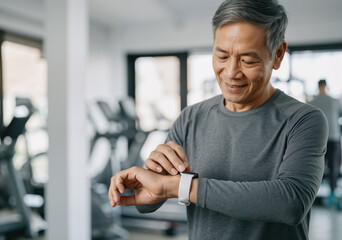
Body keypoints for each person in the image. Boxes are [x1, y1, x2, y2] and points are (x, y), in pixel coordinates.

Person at [108, 0, 328, 239]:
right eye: (222, 56)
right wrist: (151, 186)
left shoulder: (304, 120)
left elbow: (290, 203)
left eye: (248, 60)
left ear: (278, 55)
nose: (231, 72)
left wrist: (181, 187)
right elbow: (150, 199)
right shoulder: (190, 118)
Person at [309, 79, 342, 206]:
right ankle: (332, 194)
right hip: (333, 137)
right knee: (333, 166)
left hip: (318, 138)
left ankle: (312, 193)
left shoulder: (312, 102)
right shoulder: (334, 101)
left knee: (317, 166)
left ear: (318, 87)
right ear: (326, 86)